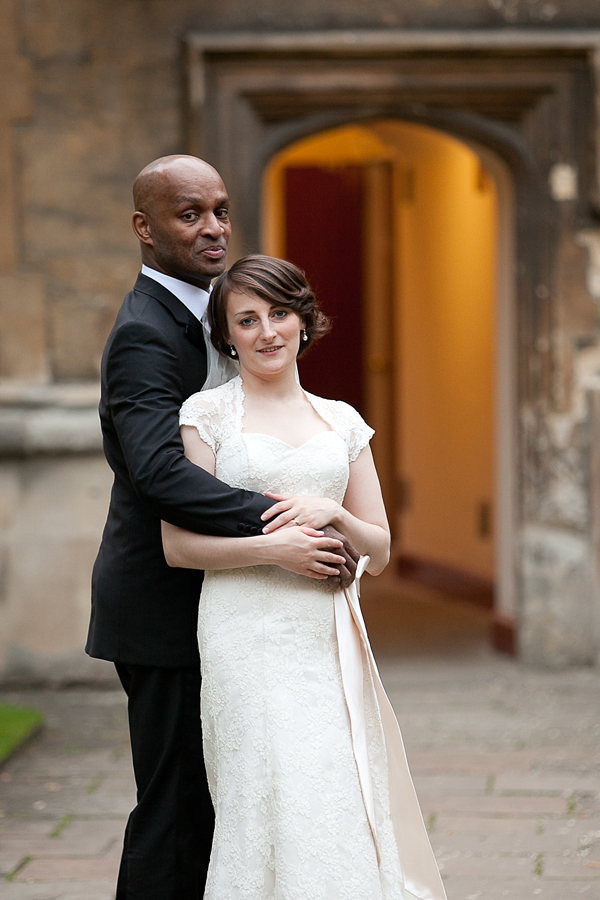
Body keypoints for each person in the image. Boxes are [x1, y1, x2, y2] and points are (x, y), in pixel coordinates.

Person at [86, 156, 357, 900]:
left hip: (229, 607)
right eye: (189, 214)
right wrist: (285, 521)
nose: (214, 228)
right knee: (175, 814)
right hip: (162, 608)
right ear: (145, 229)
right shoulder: (147, 331)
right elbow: (159, 474)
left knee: (222, 812)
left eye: (221, 210)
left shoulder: (210, 311)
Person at [162, 255, 447, 900]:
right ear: (227, 335)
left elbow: (381, 547)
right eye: (247, 319)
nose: (267, 332)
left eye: (280, 314)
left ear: (304, 320)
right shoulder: (206, 415)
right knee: (263, 790)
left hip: (327, 633)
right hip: (243, 629)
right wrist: (276, 551)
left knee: (333, 786)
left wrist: (334, 512)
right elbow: (178, 546)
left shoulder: (341, 421)